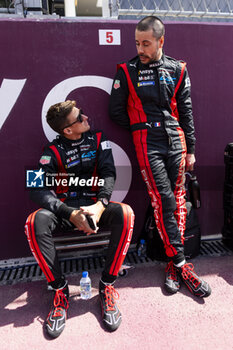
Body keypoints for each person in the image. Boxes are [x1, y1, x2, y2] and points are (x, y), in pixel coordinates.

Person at [109, 16, 211, 298]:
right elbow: (115, 111)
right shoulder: (126, 70)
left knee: (177, 199)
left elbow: (187, 111)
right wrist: (142, 126)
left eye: (146, 43)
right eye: (137, 43)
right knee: (162, 199)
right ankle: (181, 263)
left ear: (160, 41)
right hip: (147, 142)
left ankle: (172, 262)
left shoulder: (178, 69)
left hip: (175, 141)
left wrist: (190, 149)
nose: (140, 49)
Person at [25, 100, 134, 337]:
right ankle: (59, 290)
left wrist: (100, 205)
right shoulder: (51, 151)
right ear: (67, 130)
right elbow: (35, 188)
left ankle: (107, 285)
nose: (86, 117)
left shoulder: (98, 139)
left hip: (96, 206)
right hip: (65, 210)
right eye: (79, 117)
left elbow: (108, 173)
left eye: (82, 113)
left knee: (125, 213)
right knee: (35, 221)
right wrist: (70, 213)